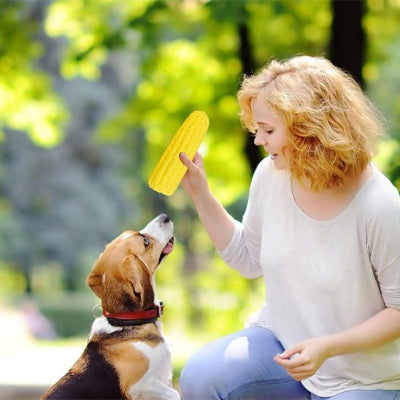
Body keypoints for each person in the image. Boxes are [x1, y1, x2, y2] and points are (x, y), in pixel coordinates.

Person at [178, 55, 400, 400]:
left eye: (268, 130)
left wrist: (326, 347)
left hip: (364, 378)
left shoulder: (379, 204)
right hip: (283, 347)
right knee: (200, 376)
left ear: (309, 130)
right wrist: (199, 193)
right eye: (256, 130)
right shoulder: (271, 175)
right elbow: (248, 258)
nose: (258, 141)